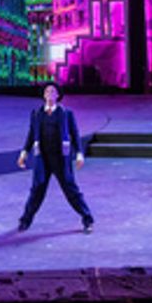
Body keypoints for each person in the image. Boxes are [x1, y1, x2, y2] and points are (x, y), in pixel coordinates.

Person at [15, 81, 94, 233]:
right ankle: (25, 220)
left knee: (70, 189)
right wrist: (24, 153)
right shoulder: (37, 114)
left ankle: (87, 218)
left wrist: (79, 153)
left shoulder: (66, 113)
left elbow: (74, 134)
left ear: (58, 95)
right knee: (37, 189)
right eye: (47, 91)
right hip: (42, 158)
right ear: (43, 95)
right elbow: (31, 135)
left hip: (60, 158)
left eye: (53, 91)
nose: (50, 94)